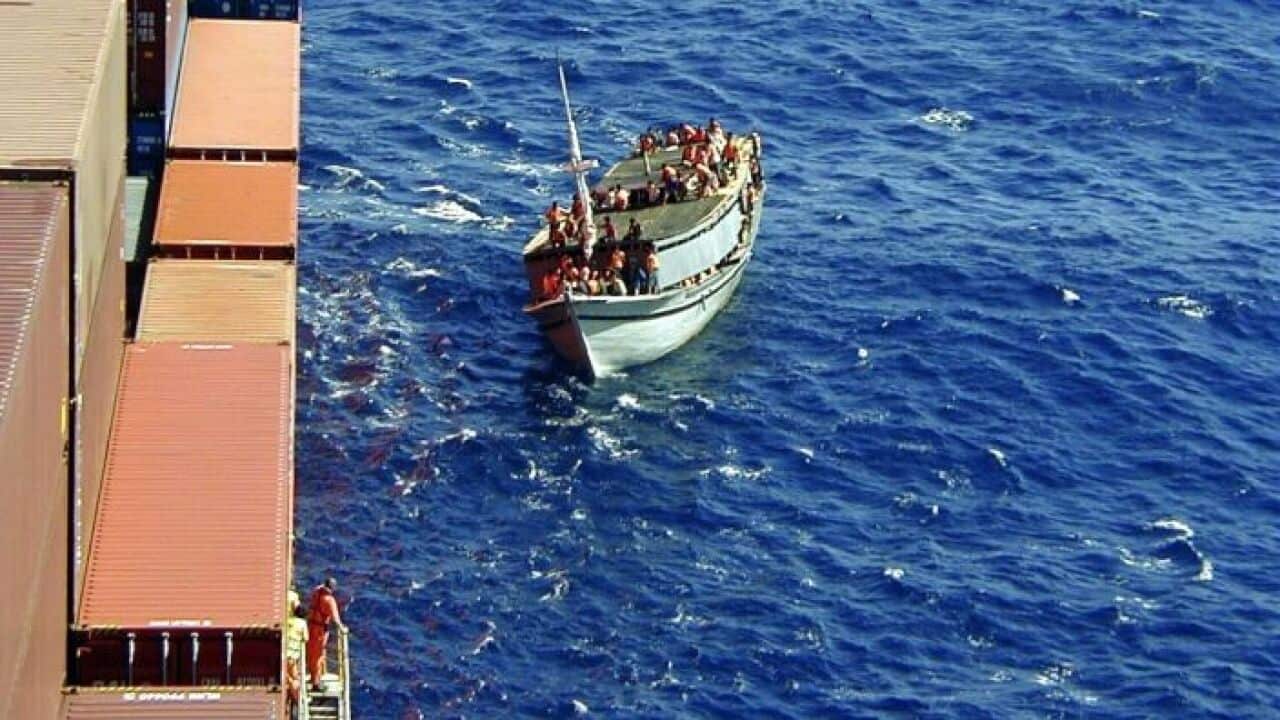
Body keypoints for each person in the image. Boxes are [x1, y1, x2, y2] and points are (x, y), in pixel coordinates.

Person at [306, 578, 345, 693]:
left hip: (310, 627)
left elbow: (318, 588)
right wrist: (342, 629)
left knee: (311, 653)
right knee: (318, 656)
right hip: (320, 631)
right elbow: (336, 620)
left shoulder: (316, 592)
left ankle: (314, 676)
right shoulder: (329, 600)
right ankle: (316, 684)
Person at [285, 592, 309, 718]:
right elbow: (306, 638)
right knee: (294, 679)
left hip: (285, 653)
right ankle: (296, 699)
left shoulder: (288, 620)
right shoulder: (302, 624)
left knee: (289, 676)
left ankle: (292, 692)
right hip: (293, 655)